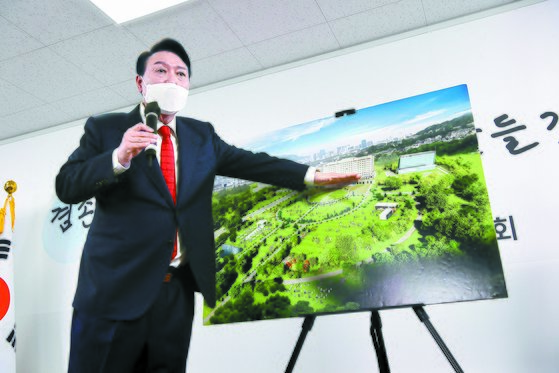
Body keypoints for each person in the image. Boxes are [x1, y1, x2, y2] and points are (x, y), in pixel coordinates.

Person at [56, 38, 359, 372]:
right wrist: (119, 156)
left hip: (175, 294)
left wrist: (311, 175)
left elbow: (252, 164)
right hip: (113, 294)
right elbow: (67, 185)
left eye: (181, 73)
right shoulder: (105, 128)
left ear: (187, 85)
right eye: (161, 70)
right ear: (141, 83)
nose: (171, 79)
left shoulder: (201, 136)